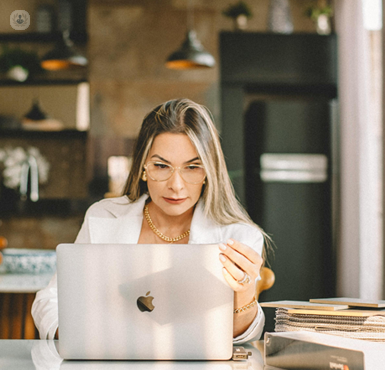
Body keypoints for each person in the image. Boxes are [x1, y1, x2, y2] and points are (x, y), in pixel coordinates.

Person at [32, 98, 271, 344]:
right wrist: (80, 341)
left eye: (192, 168)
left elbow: (241, 339)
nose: (176, 186)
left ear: (208, 173)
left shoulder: (239, 235)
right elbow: (50, 300)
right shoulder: (103, 218)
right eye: (161, 166)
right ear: (144, 167)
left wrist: (243, 294)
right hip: (106, 366)